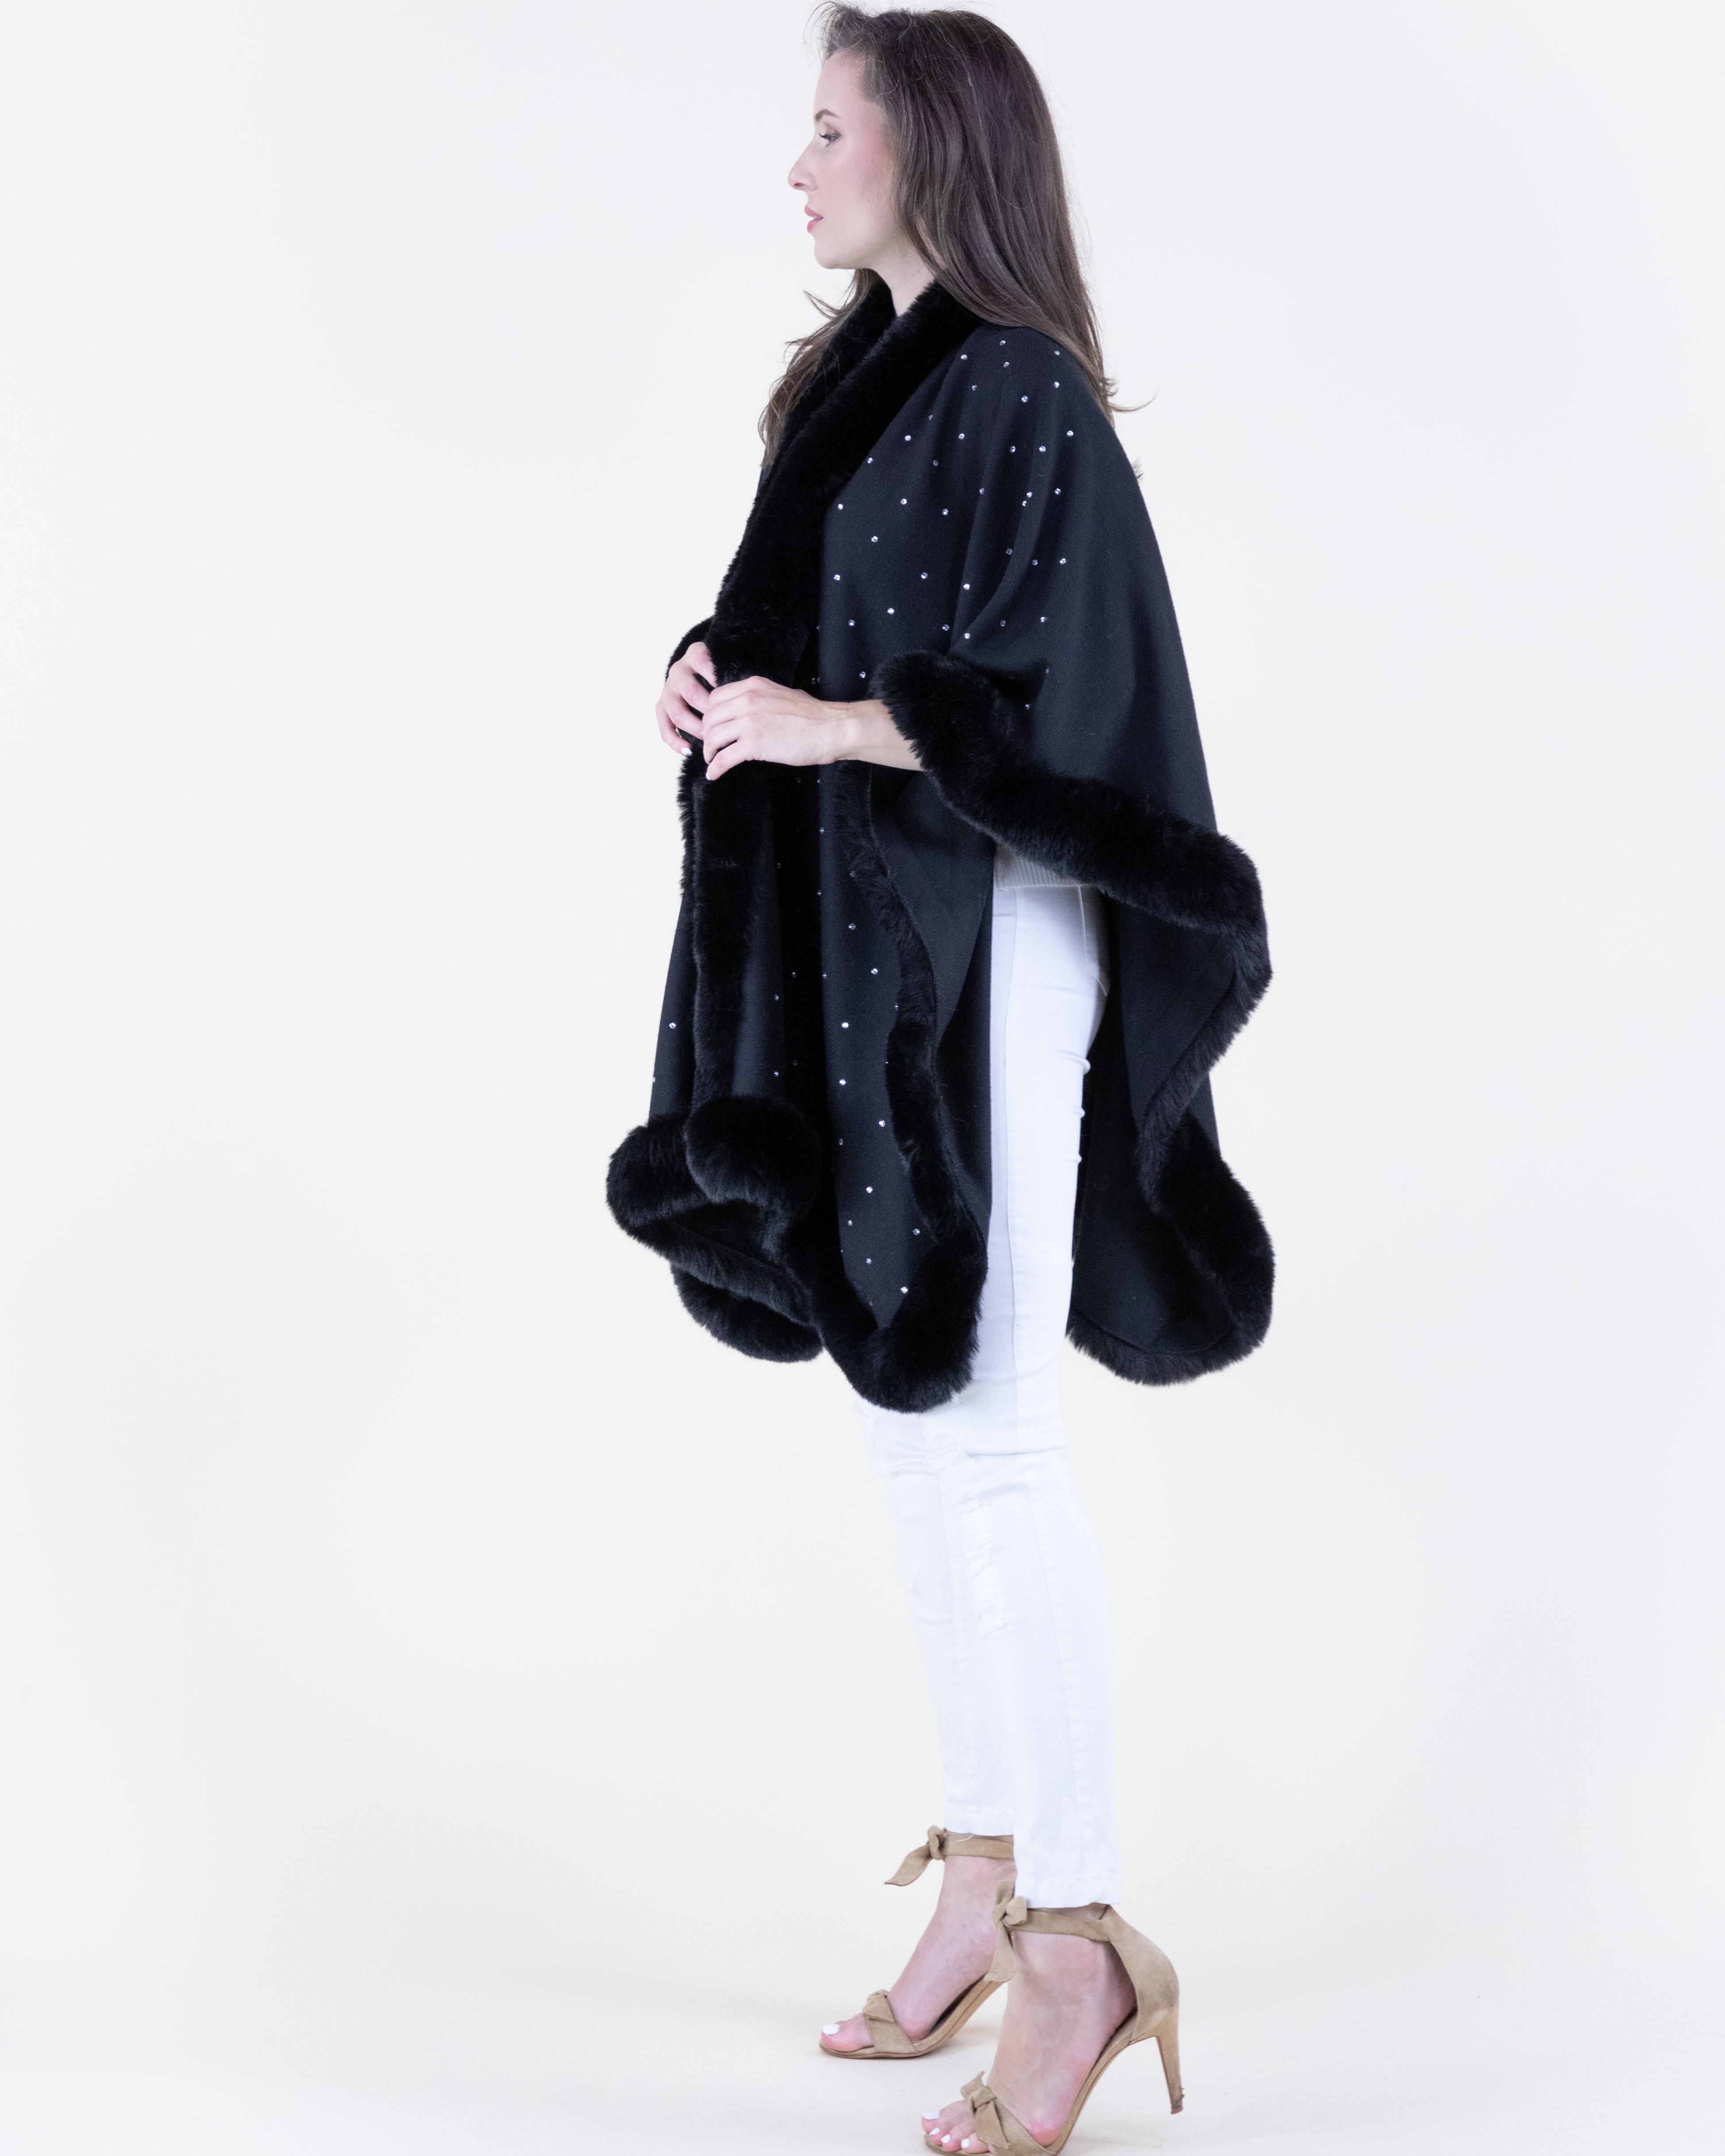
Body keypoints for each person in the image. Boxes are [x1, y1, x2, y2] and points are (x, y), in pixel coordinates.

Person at [608, 9, 1273, 2150]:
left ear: (934, 151)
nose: (797, 168)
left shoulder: (1024, 390)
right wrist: (716, 679)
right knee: (907, 1420)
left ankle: (1082, 1937)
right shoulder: (846, 385)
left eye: (831, 129)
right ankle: (986, 1869)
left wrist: (819, 726)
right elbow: (819, 636)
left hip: (993, 925)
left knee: (990, 1427)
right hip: (869, 925)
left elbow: (1051, 703)